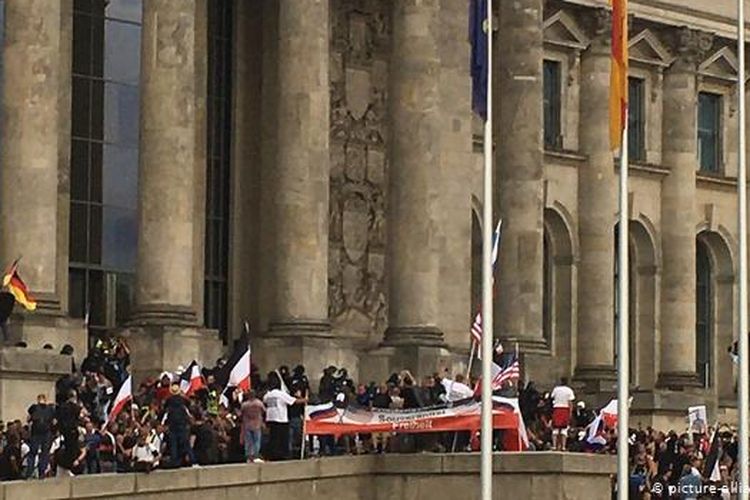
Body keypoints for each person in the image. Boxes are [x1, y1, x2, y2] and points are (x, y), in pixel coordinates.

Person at [263, 372, 305, 461]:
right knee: (282, 439)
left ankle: (272, 454)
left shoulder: (268, 395)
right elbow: (293, 401)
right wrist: (305, 400)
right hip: (281, 419)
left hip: (271, 418)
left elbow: (265, 401)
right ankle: (281, 455)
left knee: (273, 438)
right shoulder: (280, 394)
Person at [163, 384, 194, 467]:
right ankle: (191, 459)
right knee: (185, 443)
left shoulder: (169, 400)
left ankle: (175, 461)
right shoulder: (183, 400)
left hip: (172, 424)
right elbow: (190, 403)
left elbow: (164, 408)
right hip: (182, 424)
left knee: (174, 444)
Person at [26, 393, 55, 478]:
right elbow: (29, 418)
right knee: (37, 452)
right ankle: (33, 471)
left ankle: (39, 472)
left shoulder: (49, 408)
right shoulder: (35, 407)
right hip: (39, 433)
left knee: (42, 453)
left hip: (43, 433)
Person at [549, 377, 575, 451]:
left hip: (556, 409)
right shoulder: (569, 390)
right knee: (564, 429)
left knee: (555, 429)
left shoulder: (556, 389)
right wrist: (570, 412)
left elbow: (552, 399)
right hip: (565, 409)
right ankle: (563, 446)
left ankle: (554, 446)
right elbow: (570, 403)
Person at [240, 390, 265, 463]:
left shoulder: (244, 405)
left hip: (247, 424)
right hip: (257, 424)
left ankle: (248, 457)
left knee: (249, 442)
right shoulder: (259, 403)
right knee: (256, 441)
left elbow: (241, 414)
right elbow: (264, 410)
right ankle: (255, 456)